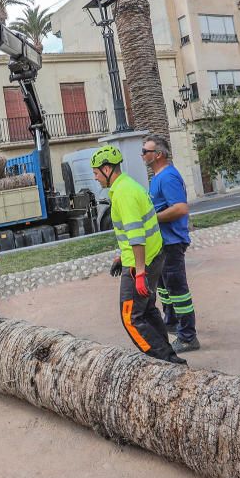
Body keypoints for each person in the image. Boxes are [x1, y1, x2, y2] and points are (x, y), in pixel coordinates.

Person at [93, 145, 185, 365]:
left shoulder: (124, 193)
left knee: (131, 318)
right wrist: (121, 257)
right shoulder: (127, 186)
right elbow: (135, 232)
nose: (95, 177)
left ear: (107, 169)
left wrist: (140, 272)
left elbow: (136, 236)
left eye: (96, 172)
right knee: (147, 310)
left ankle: (163, 360)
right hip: (150, 257)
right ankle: (168, 356)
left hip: (140, 265)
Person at [142, 134, 200, 353]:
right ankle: (172, 322)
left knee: (177, 289)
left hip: (172, 242)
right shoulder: (158, 177)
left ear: (158, 155)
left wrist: (151, 219)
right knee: (165, 287)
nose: (142, 155)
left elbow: (180, 208)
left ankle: (188, 337)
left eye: (145, 152)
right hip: (162, 243)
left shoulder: (168, 177)